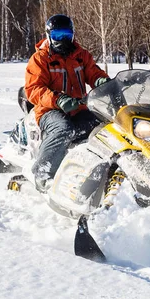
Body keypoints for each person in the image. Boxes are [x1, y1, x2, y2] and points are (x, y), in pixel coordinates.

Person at [25, 14, 109, 193]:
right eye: (57, 36)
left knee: (104, 126)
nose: (62, 40)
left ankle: (102, 169)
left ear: (72, 35)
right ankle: (43, 174)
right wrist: (58, 99)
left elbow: (94, 73)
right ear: (49, 36)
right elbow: (33, 89)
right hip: (49, 110)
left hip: (78, 106)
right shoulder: (40, 59)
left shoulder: (81, 55)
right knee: (64, 129)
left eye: (66, 35)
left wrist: (102, 82)